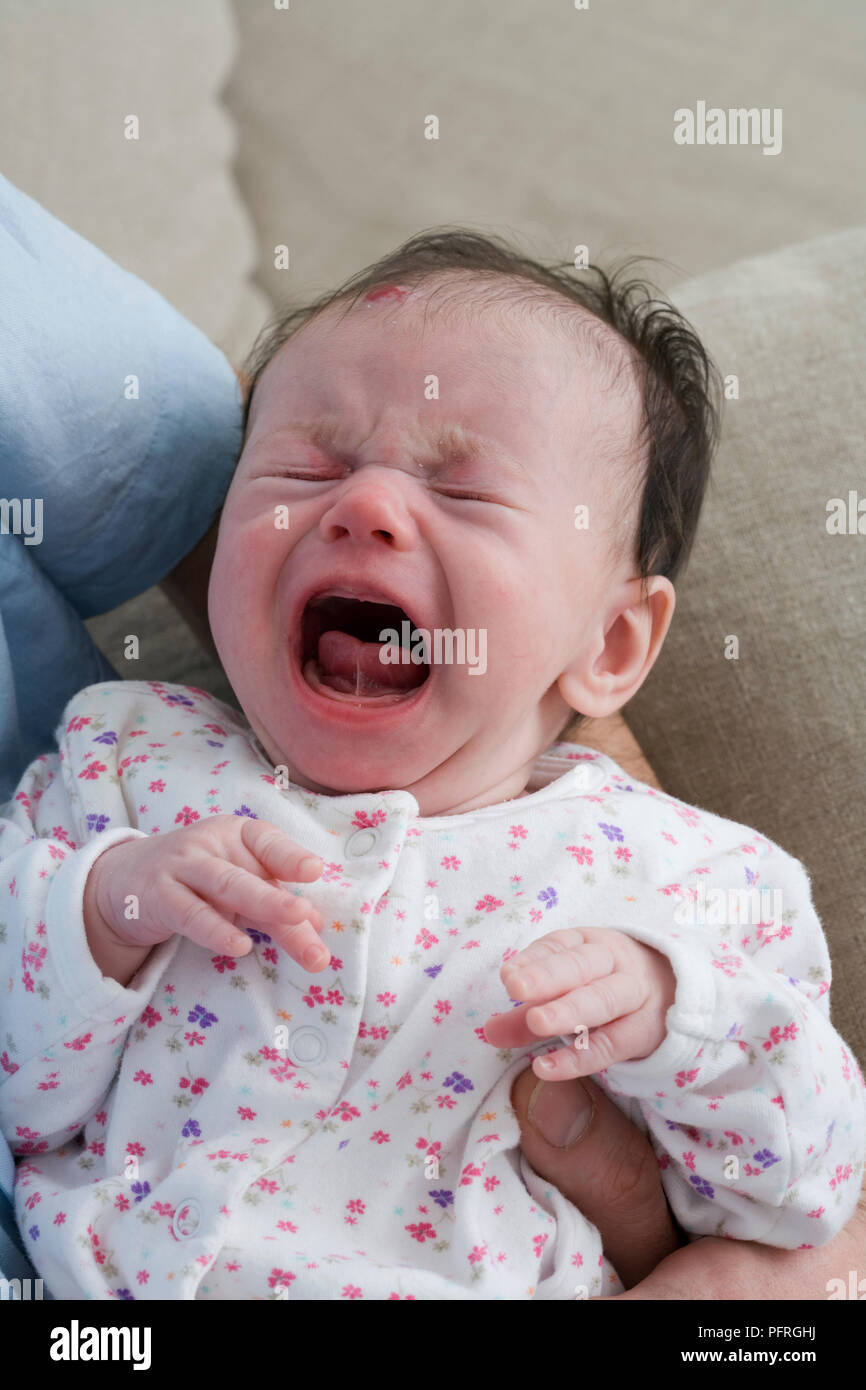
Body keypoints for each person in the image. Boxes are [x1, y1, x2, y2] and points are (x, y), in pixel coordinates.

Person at [1, 179, 863, 1297]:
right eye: (304, 466)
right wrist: (108, 906)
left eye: (461, 488)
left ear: (607, 641)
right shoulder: (121, 766)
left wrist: (672, 1016)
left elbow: (803, 1194)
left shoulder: (688, 882)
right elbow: (23, 1092)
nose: (362, 505)